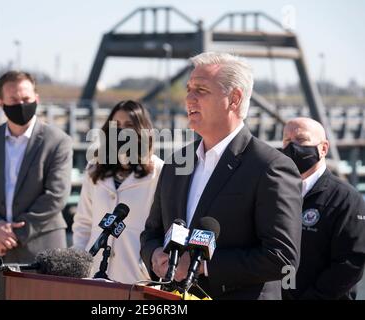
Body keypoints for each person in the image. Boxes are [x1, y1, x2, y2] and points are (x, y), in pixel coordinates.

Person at [140, 52, 303, 300]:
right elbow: (151, 233)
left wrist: (201, 265)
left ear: (234, 99)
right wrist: (155, 256)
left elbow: (282, 257)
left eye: (201, 90)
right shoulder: (176, 164)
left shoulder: (270, 167)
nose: (189, 98)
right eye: (188, 89)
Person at [0, 71, 73, 299]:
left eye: (26, 99)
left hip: (42, 250)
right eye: (14, 100)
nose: (21, 104)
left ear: (36, 98)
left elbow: (56, 195)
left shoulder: (58, 141)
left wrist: (14, 234)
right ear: (1, 103)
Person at [72, 100, 163, 284]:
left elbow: (162, 227)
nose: (122, 131)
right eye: (117, 125)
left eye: (129, 125)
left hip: (136, 279)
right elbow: (83, 223)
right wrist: (79, 266)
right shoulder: (94, 168)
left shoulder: (159, 172)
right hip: (93, 275)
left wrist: (148, 269)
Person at [281, 117, 365, 300]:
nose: (292, 147)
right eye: (287, 141)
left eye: (301, 140)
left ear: (323, 148)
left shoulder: (347, 199)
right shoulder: (276, 193)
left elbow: (351, 262)